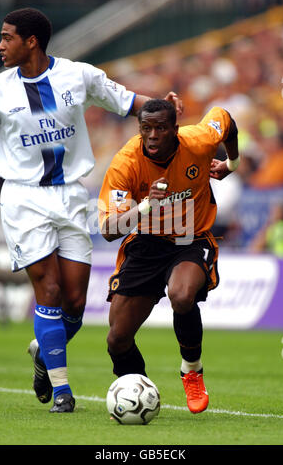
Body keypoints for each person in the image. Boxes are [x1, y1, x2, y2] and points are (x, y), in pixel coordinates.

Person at [0, 7, 182, 413]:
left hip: (72, 196)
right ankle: (62, 391)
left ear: (31, 42)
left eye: (8, 38)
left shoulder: (78, 76)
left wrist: (164, 109)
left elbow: (129, 102)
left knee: (75, 301)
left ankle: (44, 354)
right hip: (24, 199)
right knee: (51, 290)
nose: (0, 45)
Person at [98, 99, 239, 414]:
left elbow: (226, 120)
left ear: (175, 129)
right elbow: (108, 229)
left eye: (160, 128)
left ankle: (192, 370)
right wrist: (146, 204)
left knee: (181, 294)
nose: (152, 135)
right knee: (117, 339)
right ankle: (138, 391)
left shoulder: (198, 140)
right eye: (145, 128)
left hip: (189, 237)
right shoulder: (125, 163)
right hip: (146, 244)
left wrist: (232, 164)